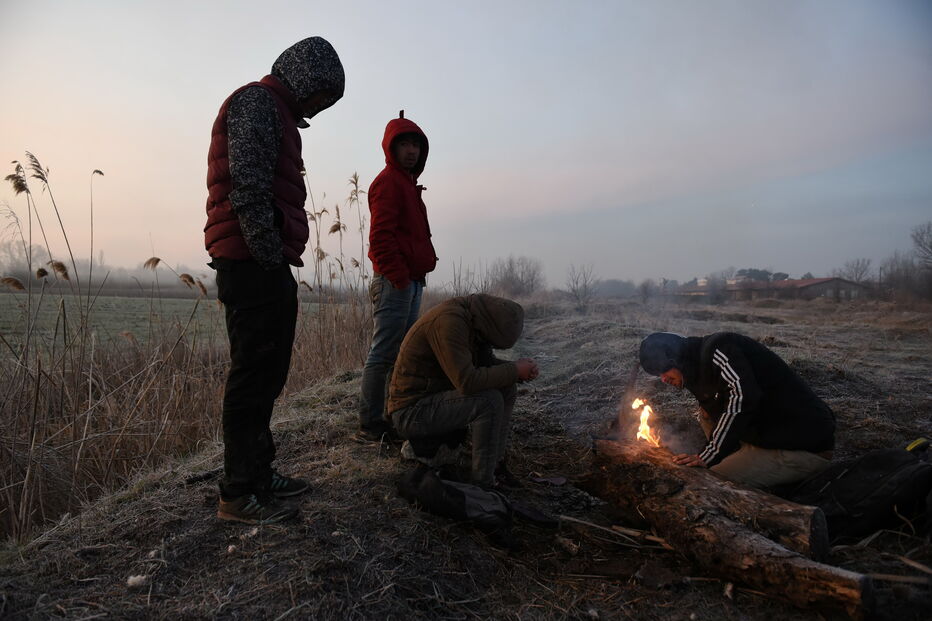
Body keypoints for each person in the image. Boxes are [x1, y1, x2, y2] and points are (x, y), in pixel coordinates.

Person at [204, 37, 344, 524]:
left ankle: (259, 476)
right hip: (251, 261)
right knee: (252, 378)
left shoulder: (276, 112)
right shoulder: (258, 104)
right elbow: (248, 187)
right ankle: (238, 493)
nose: (319, 107)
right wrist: (268, 256)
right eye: (321, 95)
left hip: (262, 259)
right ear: (304, 76)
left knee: (267, 376)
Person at [638, 331, 835, 489]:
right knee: (706, 413)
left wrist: (707, 456)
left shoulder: (719, 350)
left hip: (801, 448)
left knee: (712, 482)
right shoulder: (694, 370)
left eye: (663, 370)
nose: (663, 379)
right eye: (658, 374)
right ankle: (738, 456)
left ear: (676, 359)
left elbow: (743, 397)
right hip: (766, 436)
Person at [388, 294, 539, 488]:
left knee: (506, 387)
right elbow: (467, 381)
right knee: (489, 401)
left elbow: (484, 364)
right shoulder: (449, 323)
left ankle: (495, 466)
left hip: (434, 400)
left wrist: (518, 371)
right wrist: (514, 369)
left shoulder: (474, 318)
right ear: (488, 328)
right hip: (411, 412)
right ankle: (482, 484)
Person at [357, 112, 438, 441]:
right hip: (396, 282)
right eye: (404, 144)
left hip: (411, 281)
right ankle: (369, 424)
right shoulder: (389, 182)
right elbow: (380, 239)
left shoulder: (406, 184)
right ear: (391, 148)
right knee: (383, 352)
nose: (411, 151)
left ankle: (394, 415)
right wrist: (401, 278)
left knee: (402, 352)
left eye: (416, 145)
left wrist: (413, 279)